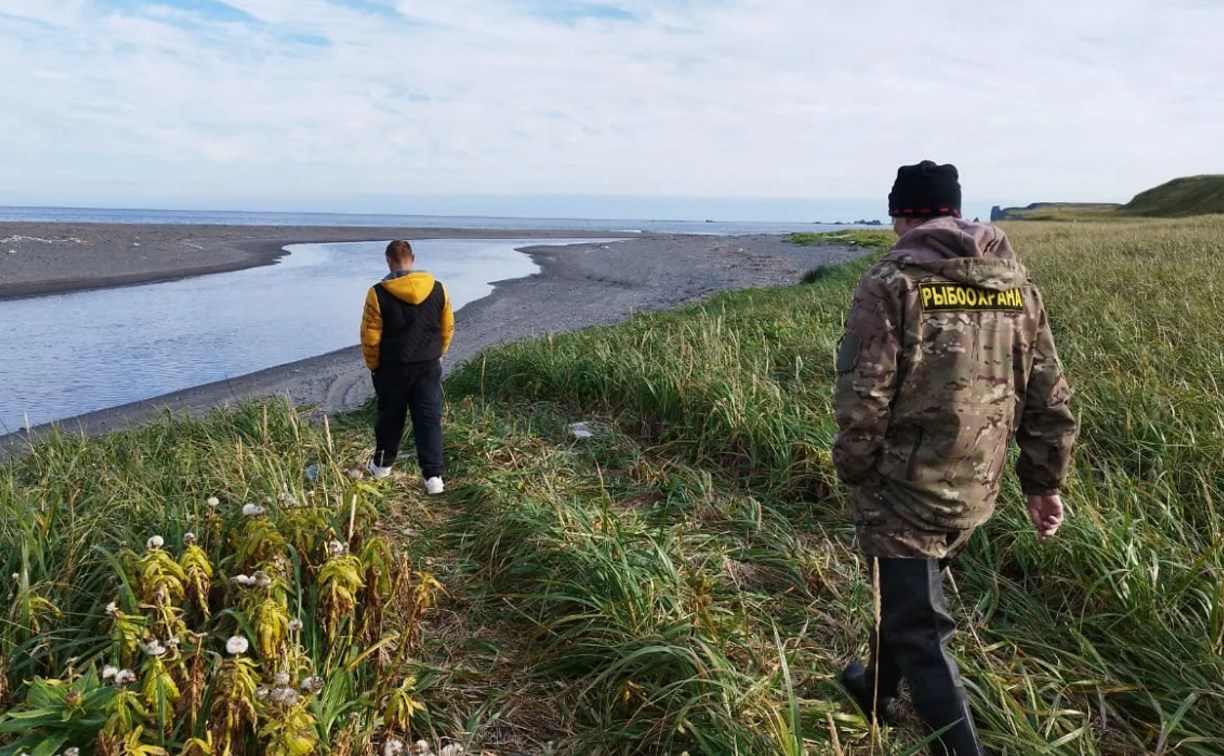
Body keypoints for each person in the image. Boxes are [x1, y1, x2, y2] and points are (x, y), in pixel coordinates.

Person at [832, 161, 1078, 755]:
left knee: (921, 628)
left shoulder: (893, 281)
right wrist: (1044, 483)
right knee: (905, 595)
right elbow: (1048, 391)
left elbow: (863, 394)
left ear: (905, 213)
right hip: (978, 484)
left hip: (903, 487)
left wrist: (855, 466)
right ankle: (874, 692)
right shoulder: (1015, 283)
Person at [360, 239, 454, 494]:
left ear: (388, 260)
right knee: (428, 418)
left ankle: (382, 467)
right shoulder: (438, 288)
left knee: (390, 416)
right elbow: (447, 326)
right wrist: (440, 352)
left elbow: (370, 335)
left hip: (392, 367)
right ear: (412, 258)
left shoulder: (377, 292)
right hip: (428, 365)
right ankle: (433, 477)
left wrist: (373, 364)